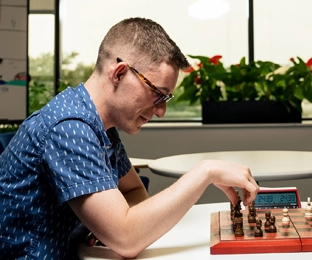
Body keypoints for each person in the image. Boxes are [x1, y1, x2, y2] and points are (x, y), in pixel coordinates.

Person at [0, 17, 260, 259]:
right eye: (158, 93)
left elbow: (134, 190)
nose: (160, 111)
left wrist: (107, 227)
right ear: (119, 73)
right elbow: (126, 239)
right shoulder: (69, 127)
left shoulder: (101, 126)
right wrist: (206, 171)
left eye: (166, 99)